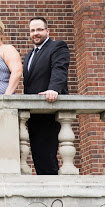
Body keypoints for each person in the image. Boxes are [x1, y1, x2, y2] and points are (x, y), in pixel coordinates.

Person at [23, 17, 70, 175]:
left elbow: (59, 68)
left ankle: (55, 194)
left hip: (49, 107)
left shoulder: (57, 46)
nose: (35, 33)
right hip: (34, 113)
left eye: (39, 30)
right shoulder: (29, 55)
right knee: (38, 155)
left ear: (47, 31)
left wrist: (54, 89)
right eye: (32, 30)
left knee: (48, 155)